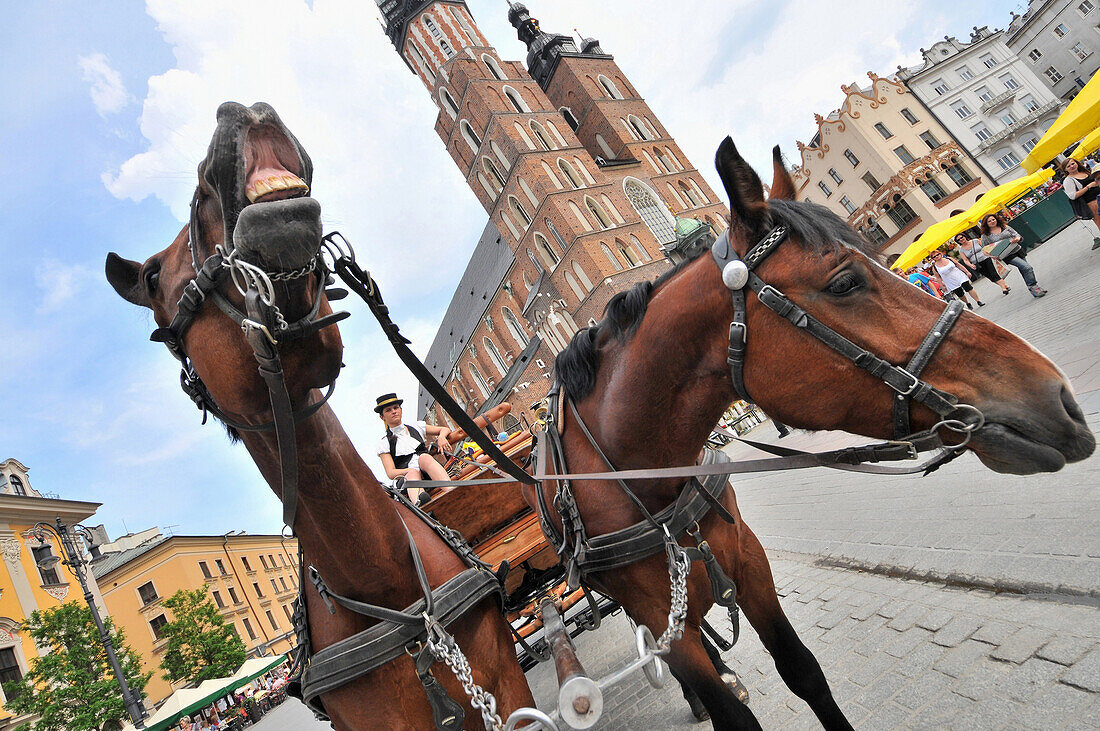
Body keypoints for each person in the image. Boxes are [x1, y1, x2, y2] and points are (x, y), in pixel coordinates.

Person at [375, 393, 452, 505]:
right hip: (409, 480)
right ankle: (421, 502)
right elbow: (391, 473)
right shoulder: (384, 443)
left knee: (424, 457)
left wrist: (441, 437)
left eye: (396, 408)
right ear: (382, 417)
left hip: (428, 471)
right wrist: (409, 470)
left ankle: (451, 489)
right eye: (388, 410)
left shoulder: (416, 427)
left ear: (400, 410)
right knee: (412, 474)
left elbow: (444, 429)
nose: (394, 411)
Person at [980, 214, 1047, 298]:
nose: (992, 222)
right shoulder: (985, 235)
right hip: (1006, 255)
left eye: (993, 219)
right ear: (986, 224)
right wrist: (992, 256)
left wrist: (1017, 239)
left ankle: (1034, 288)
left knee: (1024, 270)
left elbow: (1016, 234)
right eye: (989, 221)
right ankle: (1033, 286)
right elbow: (984, 249)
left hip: (1017, 250)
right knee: (1027, 268)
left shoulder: (1004, 226)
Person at [1059, 157, 1100, 249]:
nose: (1072, 166)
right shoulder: (1068, 180)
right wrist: (1088, 187)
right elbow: (1072, 196)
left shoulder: (1085, 172)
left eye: (1073, 163)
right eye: (1068, 166)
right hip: (1092, 203)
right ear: (1065, 169)